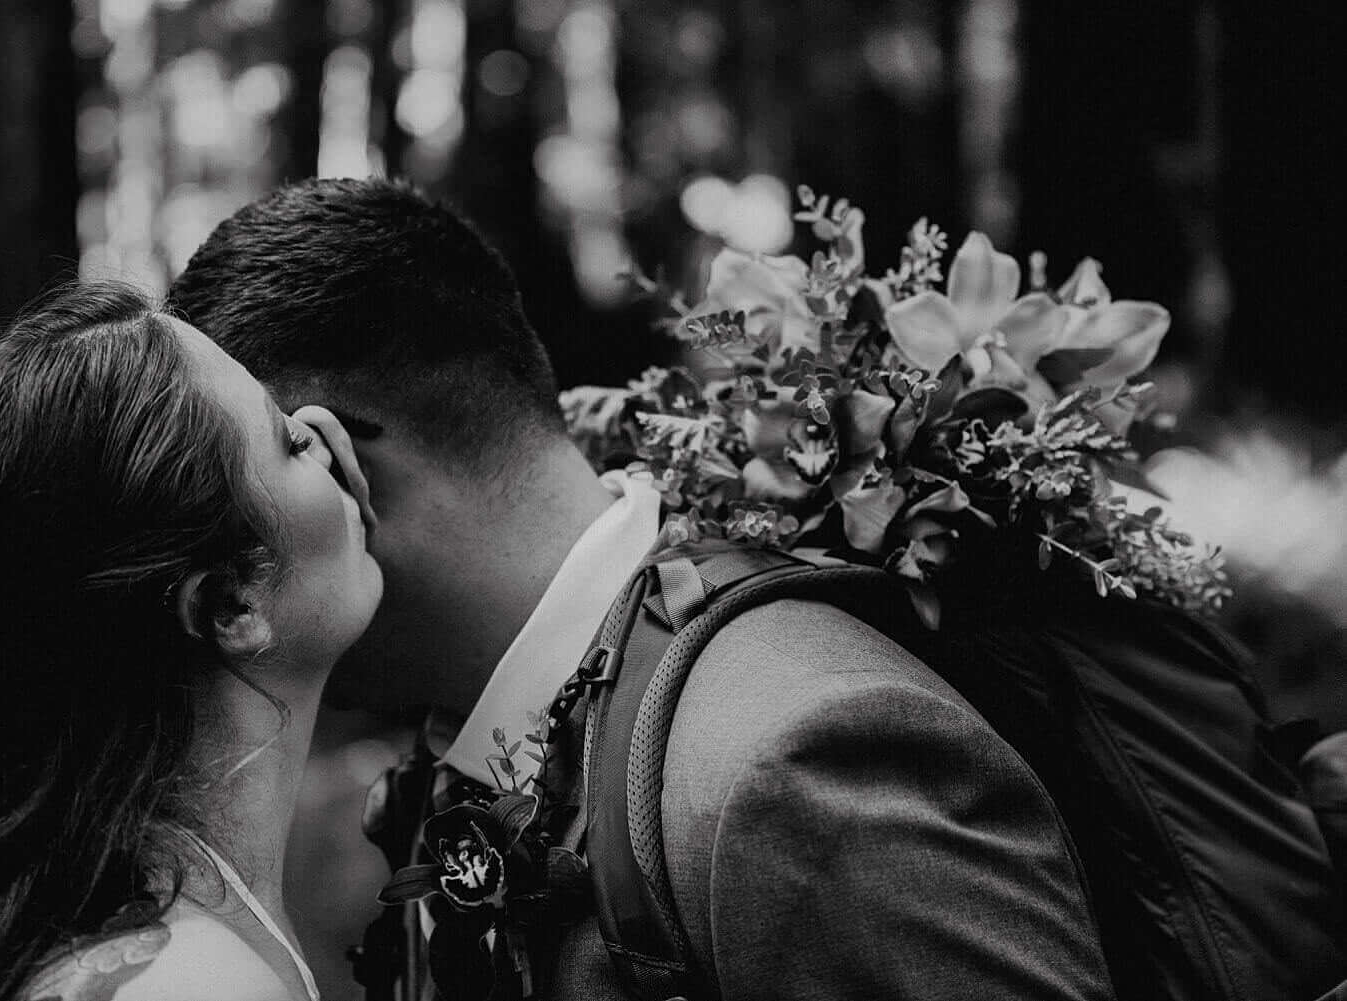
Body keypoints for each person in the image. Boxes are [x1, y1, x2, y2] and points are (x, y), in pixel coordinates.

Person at [168, 177, 1116, 999]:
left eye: (223, 525)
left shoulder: (789, 758)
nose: (214, 598)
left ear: (337, 464)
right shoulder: (459, 744)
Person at [0, 283, 382, 1001]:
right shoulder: (193, 985)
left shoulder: (103, 919)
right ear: (231, 604)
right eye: (287, 441)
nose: (321, 428)